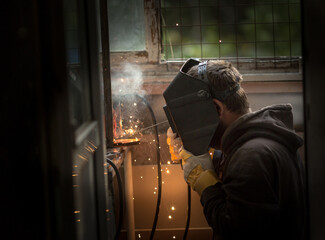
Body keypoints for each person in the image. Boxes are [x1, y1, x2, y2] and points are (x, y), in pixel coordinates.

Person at [167, 60, 306, 240]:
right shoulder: (258, 141)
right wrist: (207, 157)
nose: (191, 127)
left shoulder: (251, 157)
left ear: (216, 108)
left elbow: (234, 229)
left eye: (192, 119)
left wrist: (207, 185)